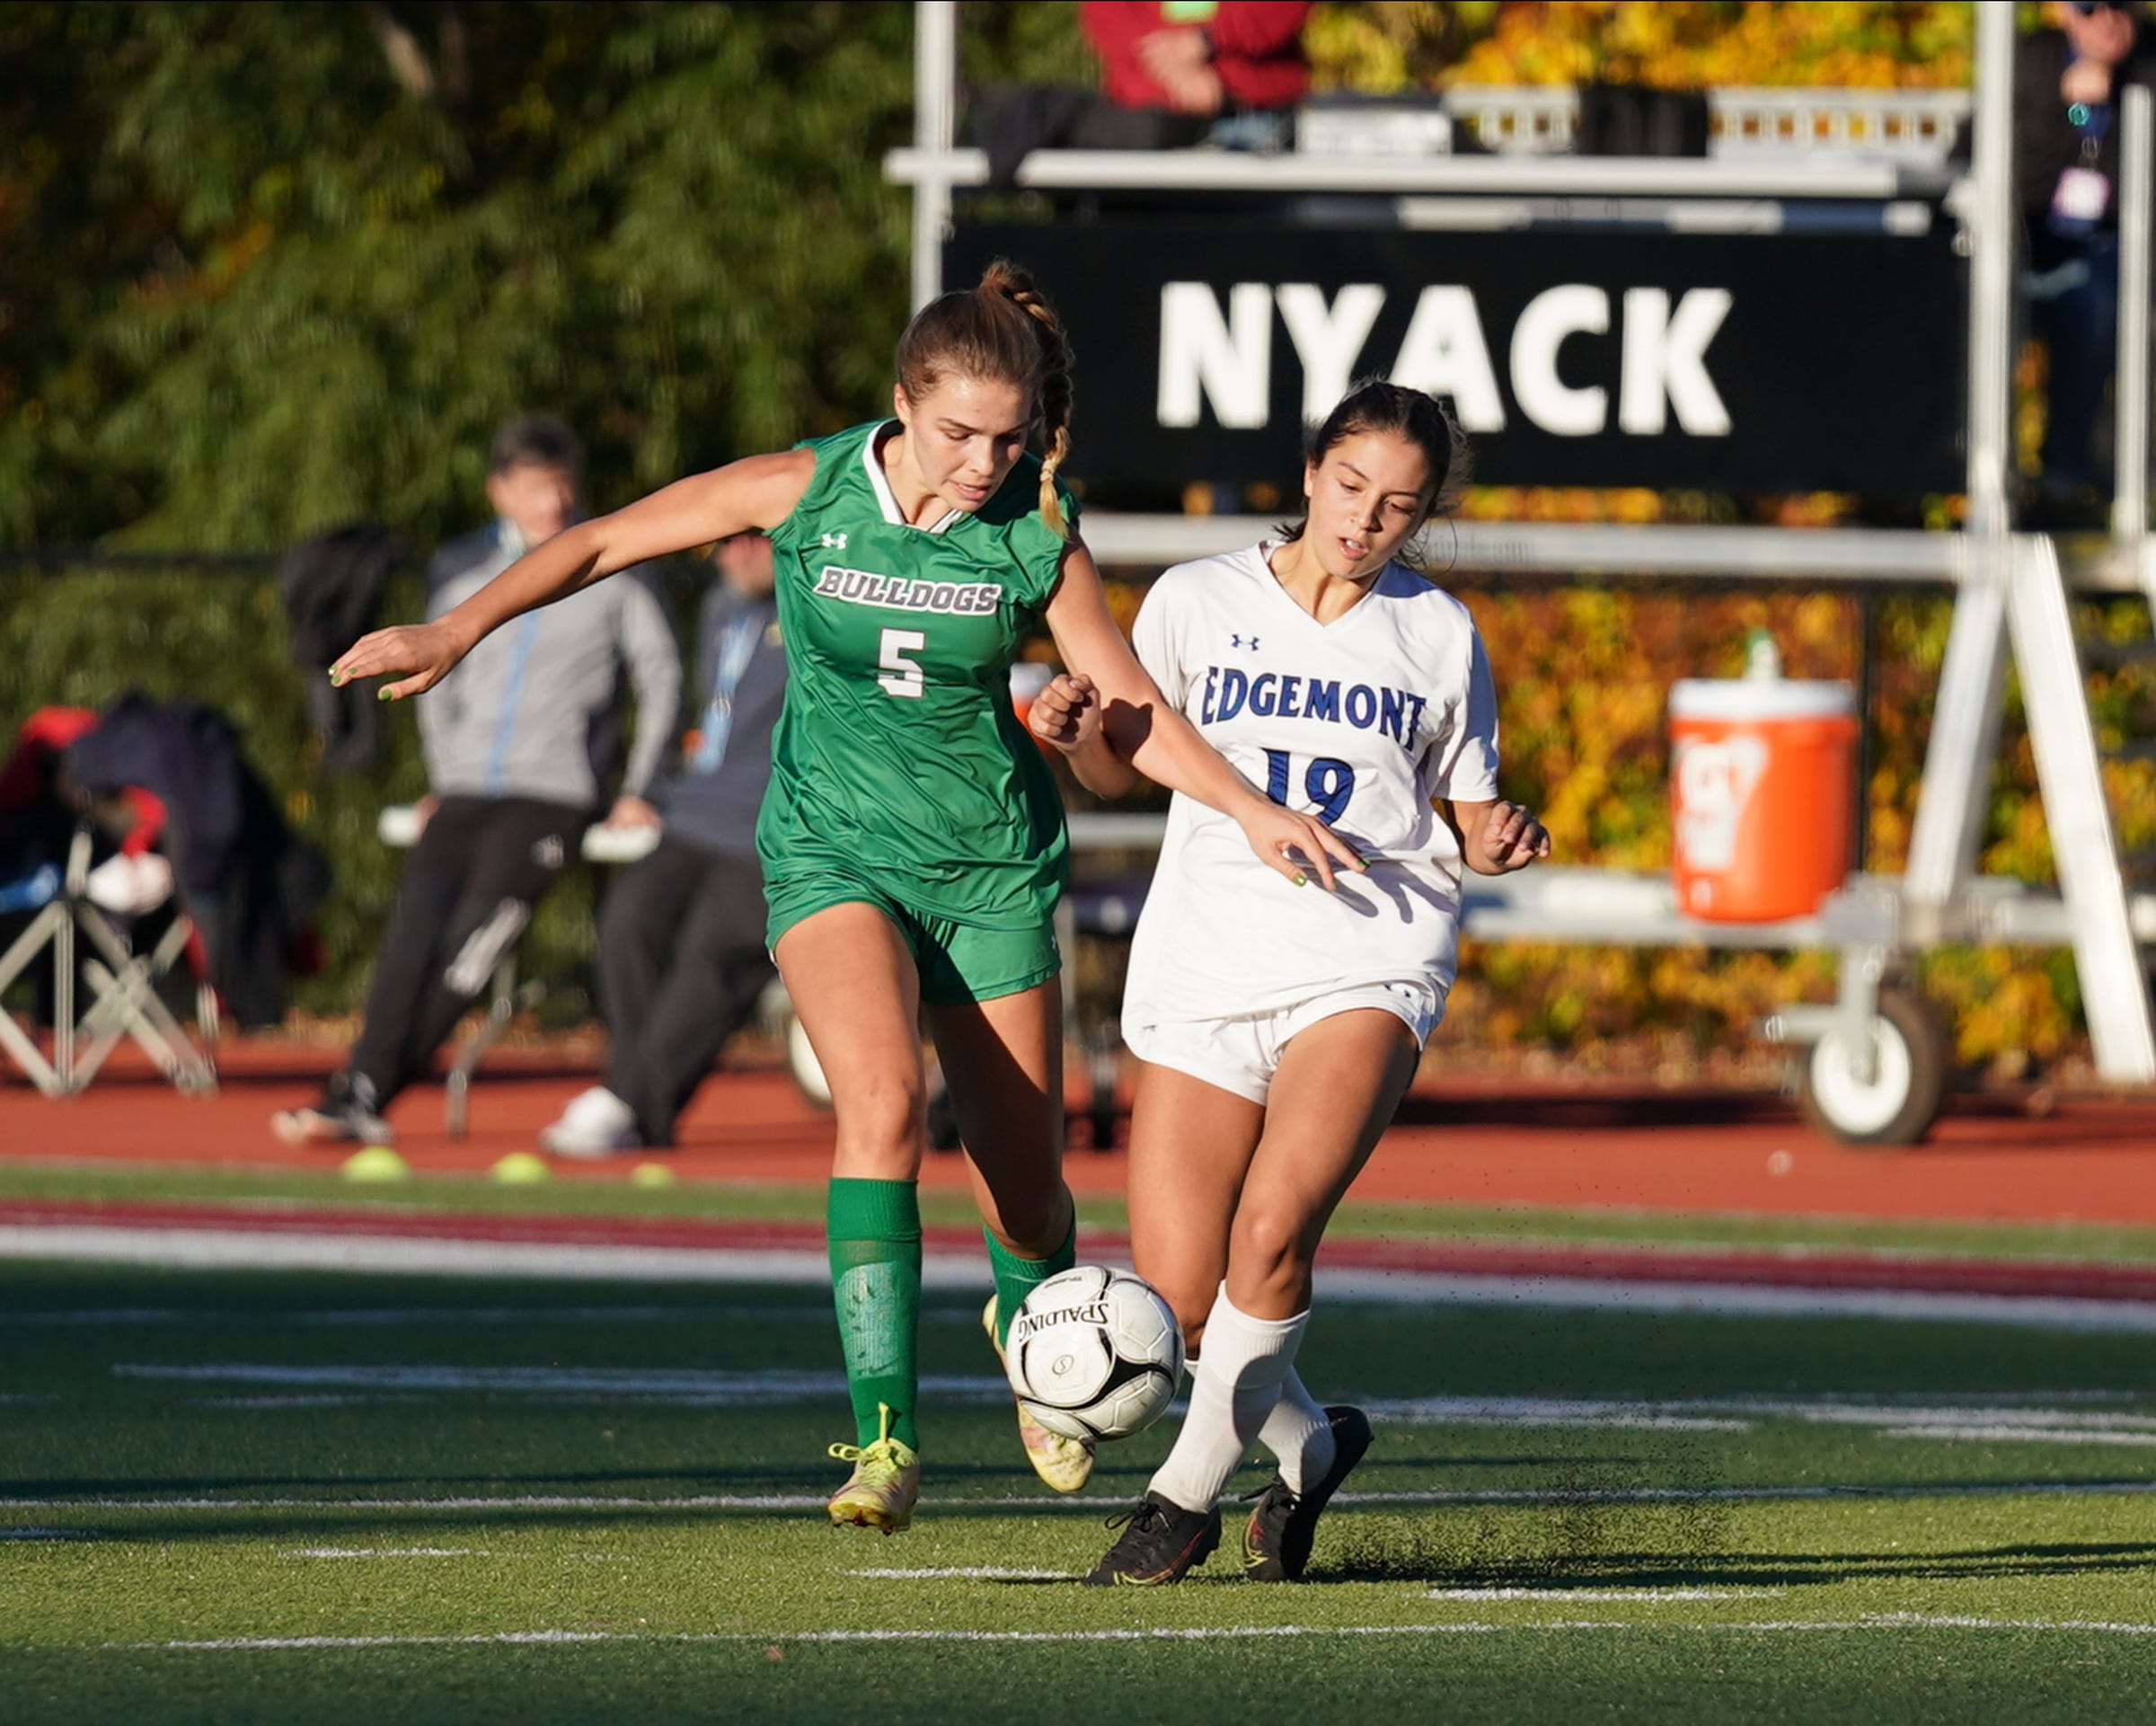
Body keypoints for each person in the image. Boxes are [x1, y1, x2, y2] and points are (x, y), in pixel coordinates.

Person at [325, 261, 1358, 1534]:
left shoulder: (1037, 527)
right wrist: (456, 631)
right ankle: (885, 1440)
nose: (983, 460)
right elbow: (598, 540)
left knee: (1026, 1198)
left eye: (1009, 433)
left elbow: (1127, 705)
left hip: (988, 869)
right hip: (831, 855)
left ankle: (1034, 1329)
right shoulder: (804, 488)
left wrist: (1248, 808)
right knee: (878, 1105)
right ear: (901, 405)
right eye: (958, 433)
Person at [1024, 380, 1549, 1585]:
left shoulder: (1437, 633)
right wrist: (1073, 735)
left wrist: (1501, 830)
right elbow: (1123, 772)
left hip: (1367, 951)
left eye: (1399, 509)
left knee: (1271, 1232)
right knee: (1186, 1299)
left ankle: (1180, 1502)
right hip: (1211, 953)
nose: (1367, 523)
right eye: (1353, 488)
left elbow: (1466, 816)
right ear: (1311, 471)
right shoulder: (1200, 600)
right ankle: (1309, 1445)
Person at [273, 413, 682, 1146]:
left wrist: (641, 786)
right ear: (500, 492)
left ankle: (365, 1092)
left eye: (562, 485)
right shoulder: (461, 570)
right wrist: (444, 771)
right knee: (411, 937)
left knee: (469, 948)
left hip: (552, 798)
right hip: (465, 791)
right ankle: (358, 1088)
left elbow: (661, 677)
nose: (551, 501)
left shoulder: (615, 569)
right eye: (533, 487)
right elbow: (435, 676)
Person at [539, 532, 785, 1158]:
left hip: (775, 824)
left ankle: (623, 1101)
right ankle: (638, 1103)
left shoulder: (821, 612)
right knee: (628, 921)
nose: (731, 558)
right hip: (695, 812)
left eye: (746, 543)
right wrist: (648, 788)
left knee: (715, 950)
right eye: (723, 546)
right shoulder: (721, 608)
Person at [2016, 0, 2156, 524]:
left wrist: (2106, 100)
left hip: (2115, 250)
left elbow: (2131, 187)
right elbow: (1998, 165)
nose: (2109, 20)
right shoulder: (2032, 61)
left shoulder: (2146, 67)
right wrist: (2071, 109)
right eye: (2092, 6)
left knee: (2093, 299)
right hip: (2026, 243)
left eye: (2124, 6)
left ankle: (2066, 479)